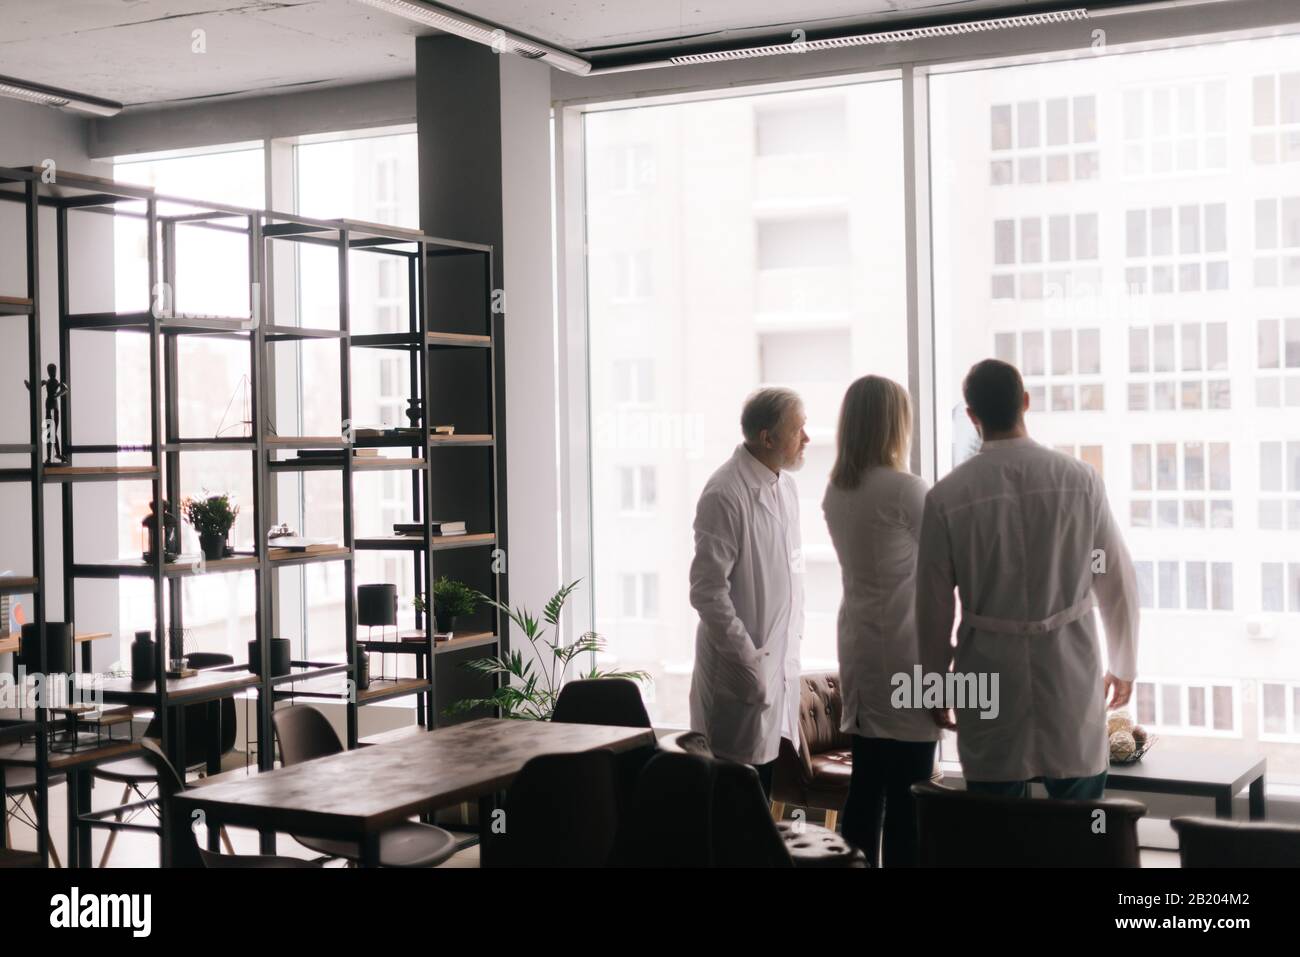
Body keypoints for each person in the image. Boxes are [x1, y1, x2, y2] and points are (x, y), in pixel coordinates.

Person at [916, 359, 1139, 800]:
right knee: (1080, 820)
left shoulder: (947, 497)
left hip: (989, 673)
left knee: (996, 829)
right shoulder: (1079, 480)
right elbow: (1112, 576)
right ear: (1025, 402)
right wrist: (1124, 662)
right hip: (1069, 666)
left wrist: (936, 683)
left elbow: (933, 608)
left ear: (972, 415)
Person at [822, 376, 938, 866]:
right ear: (896, 424)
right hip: (908, 653)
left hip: (861, 647)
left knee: (867, 785)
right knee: (911, 791)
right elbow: (944, 565)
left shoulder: (836, 491)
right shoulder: (907, 490)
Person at [689, 387, 808, 795]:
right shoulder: (725, 492)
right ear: (767, 437)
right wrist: (748, 660)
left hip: (774, 672)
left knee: (762, 792)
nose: (806, 439)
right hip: (739, 672)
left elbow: (789, 580)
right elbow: (707, 592)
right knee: (733, 803)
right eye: (798, 430)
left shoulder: (786, 488)